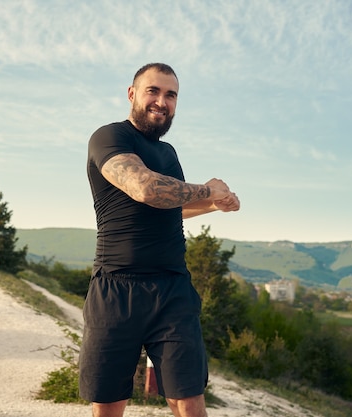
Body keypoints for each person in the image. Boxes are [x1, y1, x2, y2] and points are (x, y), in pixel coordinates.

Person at [79, 62, 240, 417]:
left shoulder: (168, 154)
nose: (162, 101)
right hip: (116, 288)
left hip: (172, 290)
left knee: (189, 400)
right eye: (153, 91)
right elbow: (146, 188)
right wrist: (207, 188)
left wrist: (215, 204)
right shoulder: (109, 138)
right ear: (132, 94)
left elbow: (170, 206)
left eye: (171, 95)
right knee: (108, 404)